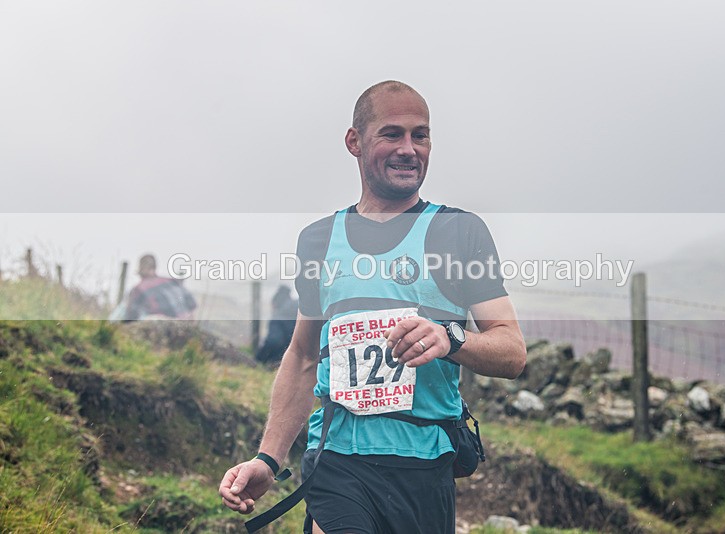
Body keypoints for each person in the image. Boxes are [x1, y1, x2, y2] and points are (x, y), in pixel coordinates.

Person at [218, 81, 526, 533]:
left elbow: (513, 351)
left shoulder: (458, 232)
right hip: (338, 463)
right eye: (392, 134)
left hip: (426, 466)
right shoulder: (318, 241)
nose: (409, 149)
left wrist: (450, 337)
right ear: (355, 142)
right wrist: (268, 458)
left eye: (420, 135)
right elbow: (304, 356)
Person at [122, 254, 197, 321]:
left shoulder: (138, 289)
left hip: (160, 330)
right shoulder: (171, 282)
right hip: (184, 327)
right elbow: (192, 304)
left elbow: (130, 318)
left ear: (141, 269)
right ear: (155, 267)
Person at [255, 285, 298, 365]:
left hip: (279, 359)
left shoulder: (278, 315)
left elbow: (273, 341)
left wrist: (258, 360)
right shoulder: (297, 307)